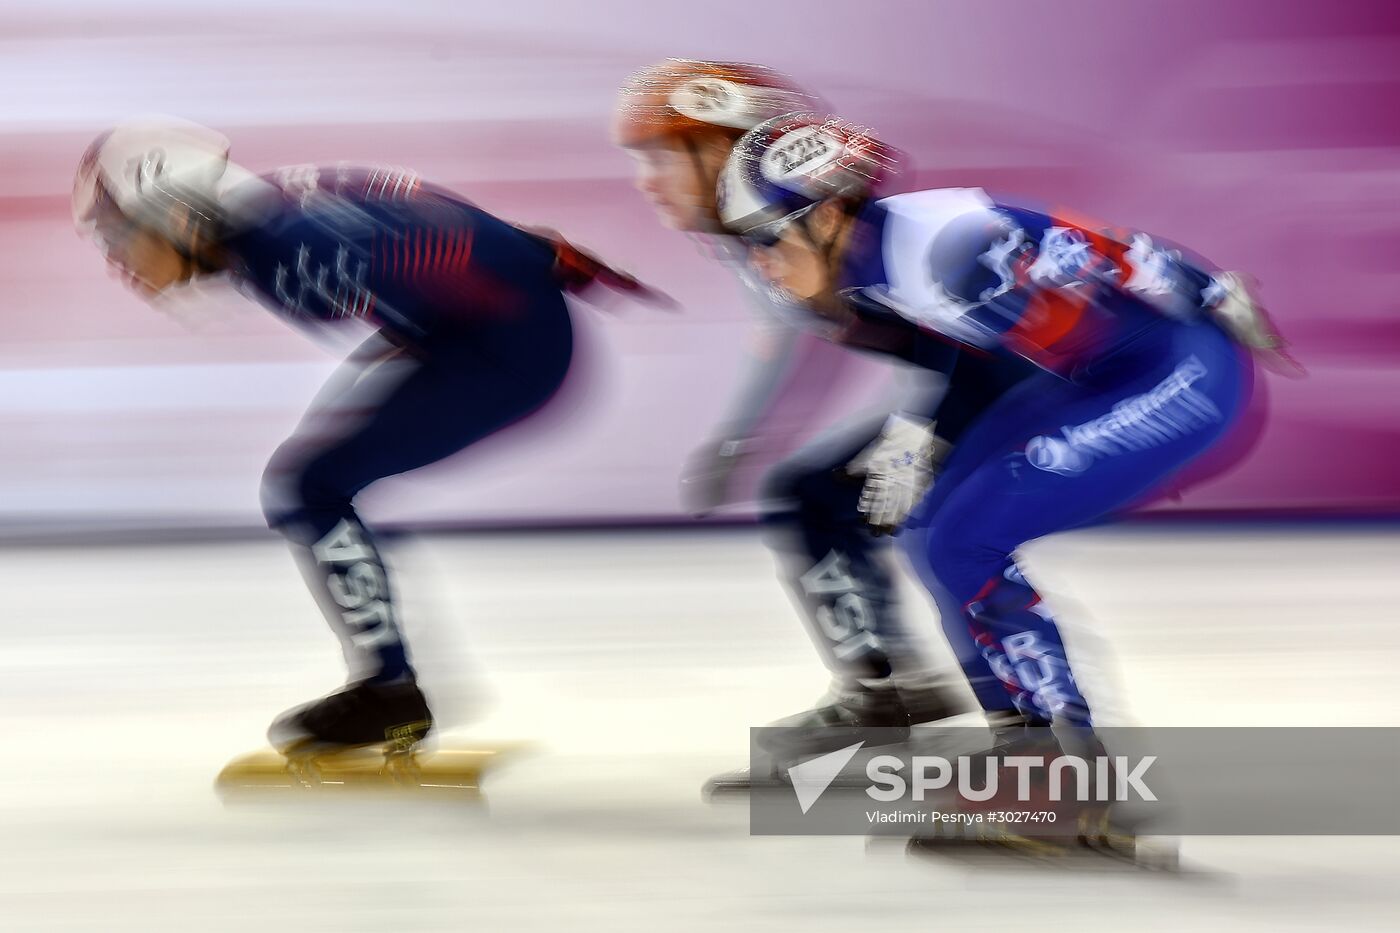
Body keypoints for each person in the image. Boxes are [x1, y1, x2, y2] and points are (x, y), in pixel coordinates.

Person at [73, 118, 660, 754]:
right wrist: (541, 252)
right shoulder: (270, 221)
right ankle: (388, 685)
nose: (116, 261)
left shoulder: (294, 257)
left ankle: (390, 693)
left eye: (118, 234)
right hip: (475, 331)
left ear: (180, 215)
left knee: (308, 485)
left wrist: (529, 257)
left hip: (506, 351)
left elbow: (407, 234)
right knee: (310, 476)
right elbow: (398, 202)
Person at [718, 112, 1295, 732]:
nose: (759, 265)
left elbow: (1098, 256)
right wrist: (918, 434)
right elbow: (980, 345)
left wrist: (1212, 292)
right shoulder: (878, 255)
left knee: (962, 543)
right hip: (1105, 374)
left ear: (828, 216)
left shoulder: (942, 248)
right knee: (930, 532)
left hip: (1181, 375)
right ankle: (1025, 755)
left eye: (765, 239)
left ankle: (1064, 779)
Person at [614, 62, 1034, 757]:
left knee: (933, 528)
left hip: (1012, 380)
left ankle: (1024, 734)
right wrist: (748, 435)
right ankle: (886, 691)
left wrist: (916, 436)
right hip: (982, 378)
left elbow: (960, 341)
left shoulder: (807, 219)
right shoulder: (763, 237)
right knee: (817, 496)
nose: (645, 180)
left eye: (660, 154)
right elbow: (806, 345)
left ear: (721, 151)